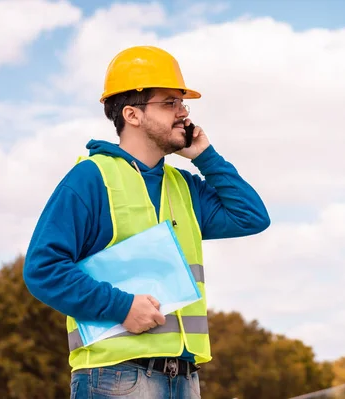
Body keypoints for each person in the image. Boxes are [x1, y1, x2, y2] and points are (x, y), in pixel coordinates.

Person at [22, 45, 270, 398]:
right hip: (115, 378)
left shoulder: (184, 187)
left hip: (185, 378)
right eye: (170, 103)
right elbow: (42, 269)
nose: (183, 113)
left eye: (183, 103)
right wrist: (120, 307)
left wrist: (206, 156)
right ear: (132, 115)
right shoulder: (91, 178)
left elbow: (251, 217)